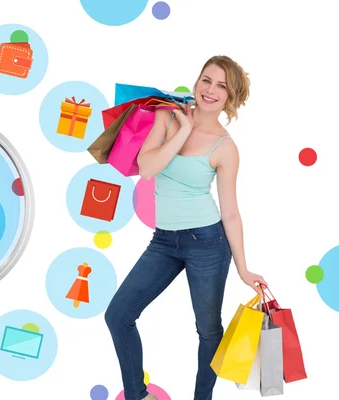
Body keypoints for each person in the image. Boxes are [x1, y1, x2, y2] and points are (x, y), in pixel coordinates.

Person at [104, 55, 267, 400]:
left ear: (229, 98)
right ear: (197, 81)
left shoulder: (226, 147)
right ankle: (138, 395)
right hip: (164, 241)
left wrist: (243, 267)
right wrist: (184, 131)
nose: (210, 90)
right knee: (118, 315)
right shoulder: (167, 115)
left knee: (208, 330)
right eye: (206, 80)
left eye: (221, 86)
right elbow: (147, 168)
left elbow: (231, 213)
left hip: (207, 241)